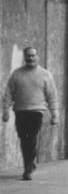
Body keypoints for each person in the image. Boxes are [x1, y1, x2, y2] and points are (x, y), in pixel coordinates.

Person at [2, 47, 59, 181]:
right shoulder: (17, 74)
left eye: (33, 56)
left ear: (37, 57)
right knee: (23, 139)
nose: (30, 58)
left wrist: (54, 114)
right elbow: (8, 94)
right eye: (28, 56)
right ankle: (30, 163)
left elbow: (52, 96)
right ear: (24, 57)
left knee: (31, 138)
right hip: (20, 111)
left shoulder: (45, 75)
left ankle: (28, 168)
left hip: (36, 111)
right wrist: (5, 111)